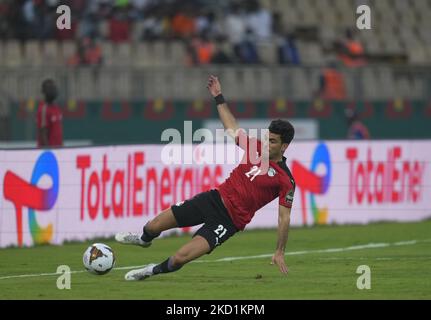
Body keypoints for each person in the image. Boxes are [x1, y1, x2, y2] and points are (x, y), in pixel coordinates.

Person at [116, 75, 296, 281]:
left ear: (284, 146)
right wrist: (218, 96)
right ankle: (143, 239)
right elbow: (231, 127)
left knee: (179, 258)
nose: (266, 143)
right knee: (153, 226)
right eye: (266, 137)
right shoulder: (254, 147)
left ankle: (150, 271)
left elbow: (284, 218)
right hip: (212, 199)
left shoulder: (285, 180)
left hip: (229, 221)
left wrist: (280, 251)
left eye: (272, 141)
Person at [36, 79, 63, 148]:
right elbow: (43, 132)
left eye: (53, 88)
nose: (52, 91)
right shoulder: (43, 109)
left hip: (58, 148)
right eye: (50, 88)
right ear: (44, 91)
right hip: (49, 151)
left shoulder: (56, 108)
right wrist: (48, 150)